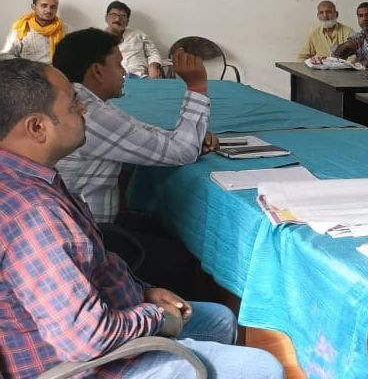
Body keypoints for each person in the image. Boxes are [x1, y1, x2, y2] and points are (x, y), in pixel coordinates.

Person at [0, 58, 282, 378]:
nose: (83, 108)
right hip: (82, 365)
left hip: (99, 321)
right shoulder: (34, 215)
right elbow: (87, 339)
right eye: (73, 103)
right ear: (37, 127)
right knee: (263, 367)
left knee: (220, 319)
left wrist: (142, 291)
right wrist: (155, 316)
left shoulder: (27, 176)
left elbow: (90, 267)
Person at [52, 28, 217, 296]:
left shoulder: (83, 102)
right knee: (179, 259)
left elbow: (145, 134)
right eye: (119, 64)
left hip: (80, 222)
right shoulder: (89, 113)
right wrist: (196, 88)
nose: (124, 72)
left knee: (169, 230)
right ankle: (175, 316)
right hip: (89, 233)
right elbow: (181, 151)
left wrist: (193, 140)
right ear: (97, 71)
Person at [102, 1, 164, 79]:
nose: (117, 19)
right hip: (112, 80)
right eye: (113, 15)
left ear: (127, 21)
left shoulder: (138, 34)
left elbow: (153, 53)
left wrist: (153, 66)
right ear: (106, 18)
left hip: (140, 77)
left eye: (123, 16)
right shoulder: (97, 39)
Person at [3, 0, 68, 63]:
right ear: (33, 7)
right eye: (44, 6)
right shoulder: (21, 29)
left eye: (53, 7)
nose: (48, 10)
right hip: (28, 69)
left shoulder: (64, 29)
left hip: (57, 69)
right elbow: (6, 55)